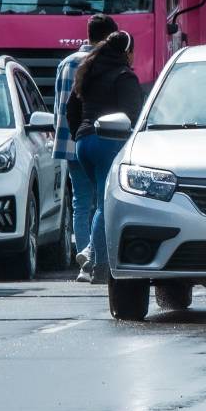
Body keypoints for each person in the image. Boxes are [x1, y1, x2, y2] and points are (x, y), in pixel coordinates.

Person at [67, 31, 143, 284]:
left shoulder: (88, 72)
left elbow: (72, 108)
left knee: (90, 203)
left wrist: (81, 134)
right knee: (104, 204)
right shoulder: (125, 77)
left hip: (83, 142)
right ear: (127, 52)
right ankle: (99, 265)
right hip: (107, 142)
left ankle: (90, 252)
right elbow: (133, 116)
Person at [53, 14, 118, 282]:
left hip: (70, 140)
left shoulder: (66, 63)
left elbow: (59, 105)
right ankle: (95, 257)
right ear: (109, 36)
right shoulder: (105, 63)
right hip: (98, 137)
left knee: (81, 203)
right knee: (102, 200)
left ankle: (84, 261)